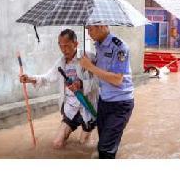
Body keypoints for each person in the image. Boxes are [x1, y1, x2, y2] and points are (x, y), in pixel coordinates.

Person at [19, 29, 98, 149]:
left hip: (87, 108)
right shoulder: (61, 63)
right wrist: (29, 79)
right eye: (61, 46)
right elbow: (47, 78)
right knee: (57, 143)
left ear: (76, 44)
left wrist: (82, 84)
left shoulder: (89, 58)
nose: (63, 50)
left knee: (83, 145)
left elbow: (100, 82)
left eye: (67, 46)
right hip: (70, 108)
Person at [79, 25, 135, 159]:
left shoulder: (120, 47)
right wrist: (90, 65)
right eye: (87, 29)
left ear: (103, 26)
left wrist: (91, 67)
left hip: (120, 103)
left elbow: (117, 79)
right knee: (103, 144)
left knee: (105, 149)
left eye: (90, 29)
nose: (88, 32)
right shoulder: (98, 45)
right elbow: (101, 72)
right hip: (104, 101)